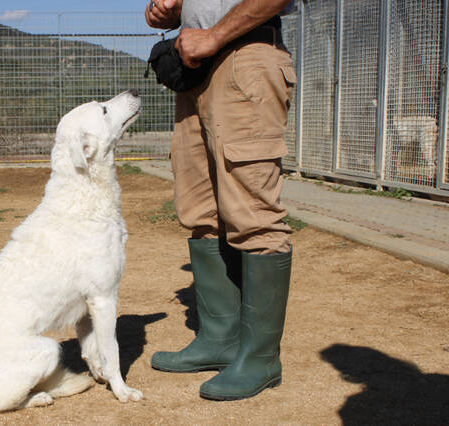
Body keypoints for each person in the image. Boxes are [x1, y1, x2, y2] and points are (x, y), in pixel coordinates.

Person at [145, 0, 297, 401]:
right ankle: (219, 340)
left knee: (254, 215)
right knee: (200, 212)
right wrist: (166, 10)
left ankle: (262, 360)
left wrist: (213, 35)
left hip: (245, 55)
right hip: (195, 70)